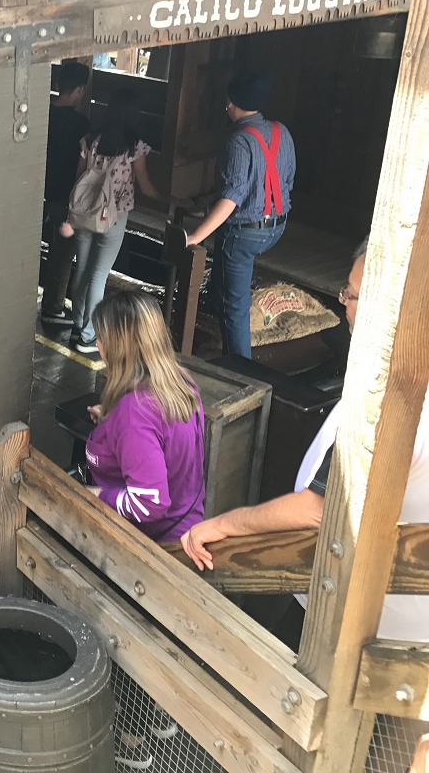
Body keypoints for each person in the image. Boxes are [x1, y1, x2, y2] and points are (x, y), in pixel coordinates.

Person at [180, 238, 428, 773]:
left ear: (393, 306)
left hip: (356, 619)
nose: (344, 304)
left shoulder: (389, 397)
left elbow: (320, 508)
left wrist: (227, 524)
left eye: (356, 296)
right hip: (413, 635)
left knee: (303, 734)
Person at [184, 71, 296, 358]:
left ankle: (240, 370)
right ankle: (216, 306)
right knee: (224, 287)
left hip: (244, 233)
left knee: (236, 306)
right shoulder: (282, 130)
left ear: (231, 103)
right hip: (277, 225)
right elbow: (287, 180)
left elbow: (232, 198)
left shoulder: (237, 141)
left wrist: (194, 236)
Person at [84, 291, 206, 542]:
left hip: (147, 545)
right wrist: (112, 419)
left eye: (102, 338)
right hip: (186, 525)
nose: (98, 344)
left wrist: (95, 494)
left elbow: (149, 504)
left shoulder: (134, 415)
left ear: (118, 347)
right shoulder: (180, 381)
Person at [66, 90, 173, 354]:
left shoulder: (90, 140)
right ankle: (89, 336)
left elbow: (79, 177)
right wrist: (170, 199)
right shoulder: (134, 147)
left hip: (84, 212)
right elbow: (146, 187)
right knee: (99, 274)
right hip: (114, 215)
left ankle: (78, 327)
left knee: (81, 268)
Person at [42, 62, 91, 325]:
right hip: (66, 195)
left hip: (38, 189)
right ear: (80, 89)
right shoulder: (82, 125)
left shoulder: (42, 115)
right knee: (62, 252)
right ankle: (53, 307)